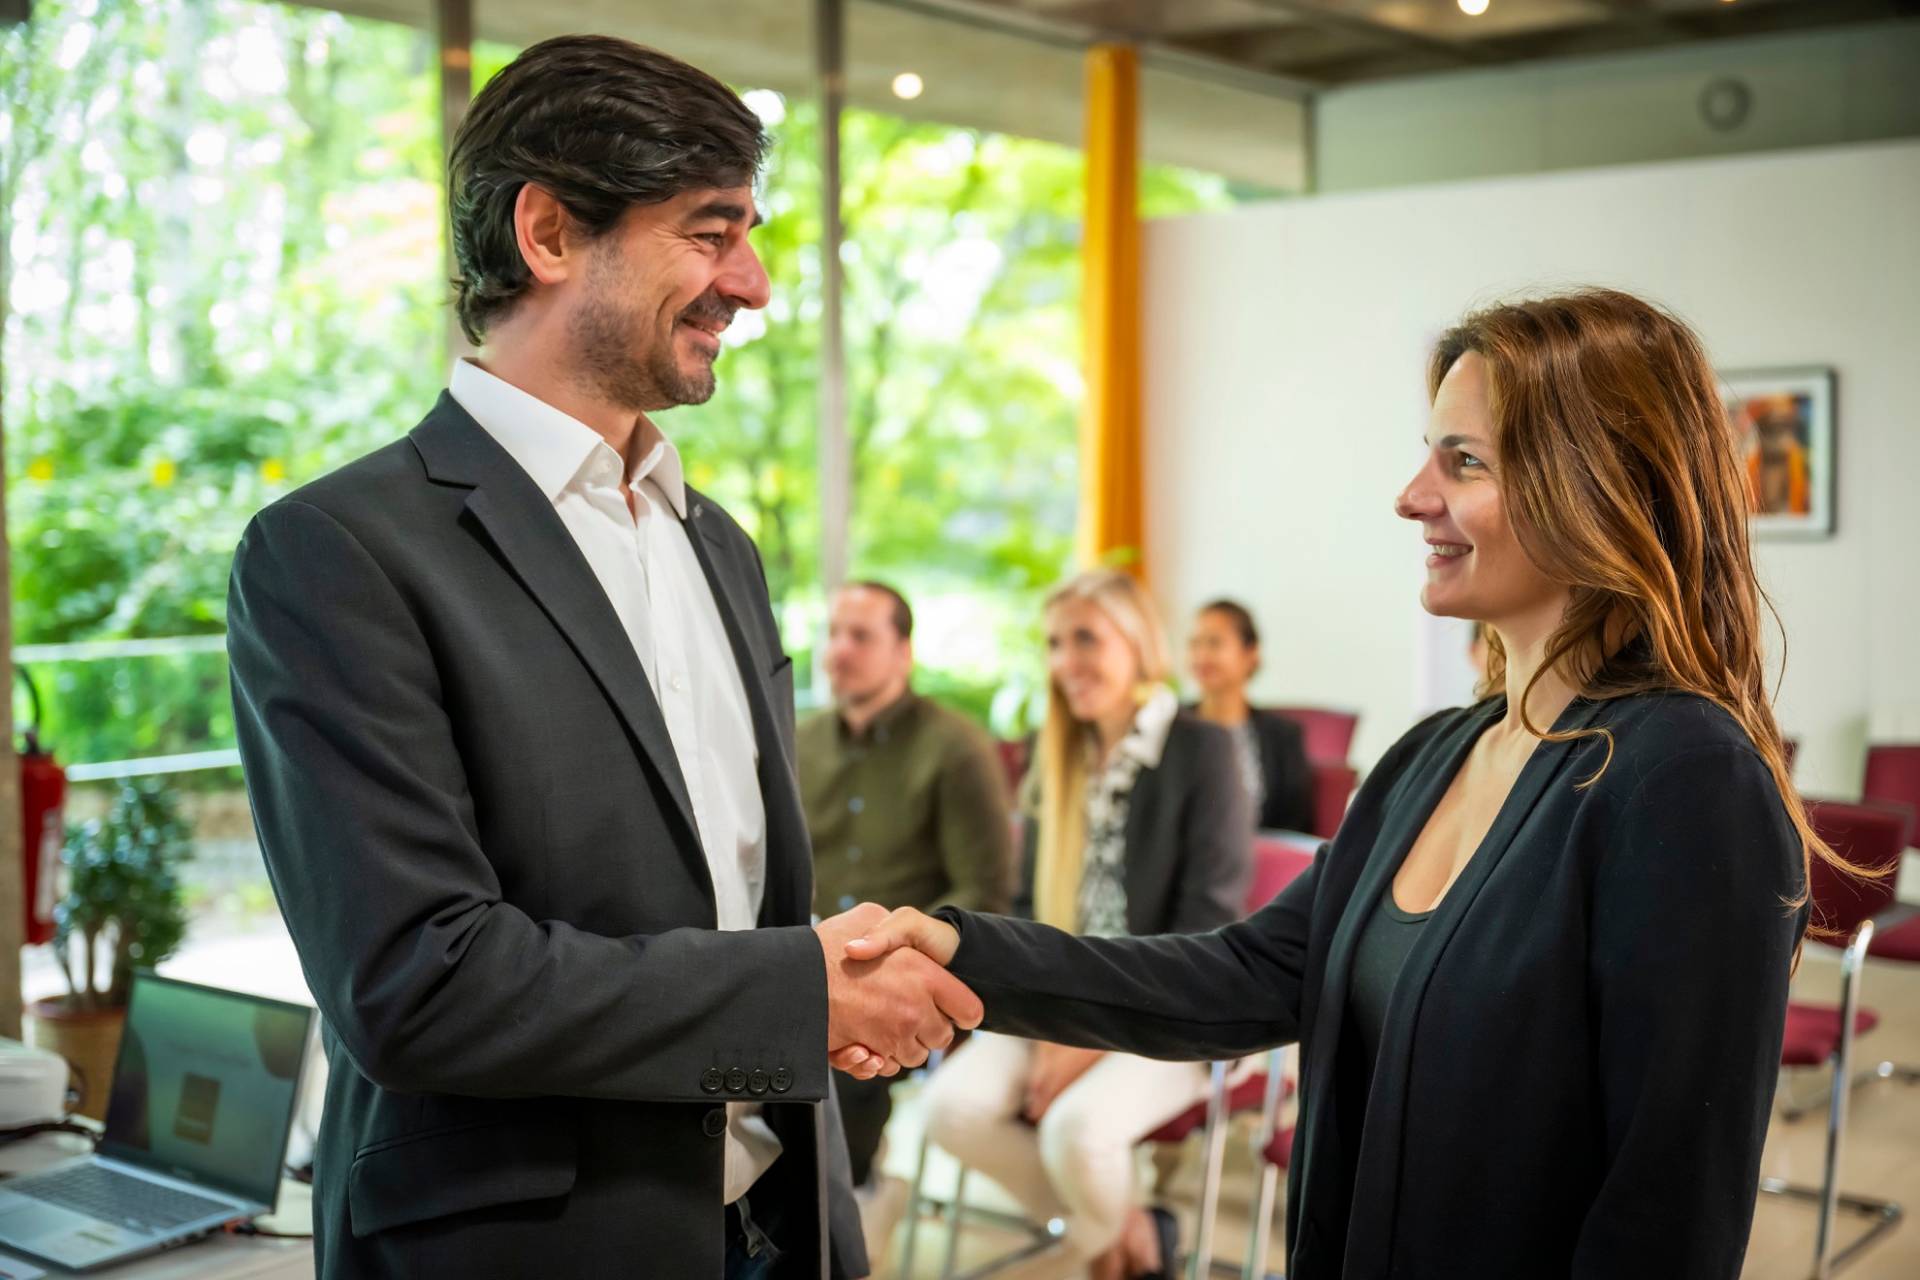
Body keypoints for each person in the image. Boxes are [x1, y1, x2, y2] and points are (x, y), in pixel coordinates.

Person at [843, 289, 1840, 1278]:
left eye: (1463, 461)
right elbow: (1240, 975)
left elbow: (1666, 1212)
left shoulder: (1688, 779)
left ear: (1594, 485)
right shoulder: (1433, 756)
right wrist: (965, 949)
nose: (1412, 496)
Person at [226, 36, 979, 1280]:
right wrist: (799, 991)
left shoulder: (719, 546)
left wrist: (824, 966)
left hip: (778, 1222)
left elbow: (715, 901)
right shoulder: (335, 553)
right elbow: (418, 981)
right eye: (710, 233)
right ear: (548, 233)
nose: (754, 284)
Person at [919, 570, 1250, 1280]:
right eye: (1054, 644)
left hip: (1174, 1010)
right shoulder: (1058, 758)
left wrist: (1087, 1040)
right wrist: (1049, 1023)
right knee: (949, 1109)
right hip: (1060, 997)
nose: (1066, 661)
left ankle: (1087, 1254)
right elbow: (1026, 911)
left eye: (1086, 639)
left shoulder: (1204, 751)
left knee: (1076, 1132)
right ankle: (1129, 1233)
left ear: (1138, 644)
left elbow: (1204, 929)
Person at [797, 580, 1014, 1237]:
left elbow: (984, 893)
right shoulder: (799, 740)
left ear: (904, 653)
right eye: (833, 633)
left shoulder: (956, 748)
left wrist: (890, 962)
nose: (839, 650)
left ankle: (851, 1205)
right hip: (806, 956)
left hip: (908, 967)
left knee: (837, 1061)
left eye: (861, 636)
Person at [1186, 599, 1314, 832]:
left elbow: (1295, 827)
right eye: (1194, 644)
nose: (1201, 656)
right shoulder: (1167, 728)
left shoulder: (1283, 737)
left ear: (1250, 653)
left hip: (1264, 853)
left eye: (1214, 643)